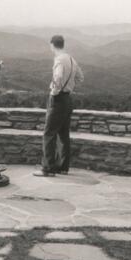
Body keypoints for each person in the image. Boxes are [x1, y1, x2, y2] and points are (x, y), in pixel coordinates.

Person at [33, 34, 84, 177]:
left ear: (52, 45)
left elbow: (58, 77)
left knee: (48, 134)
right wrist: (70, 86)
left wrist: (55, 91)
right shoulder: (72, 59)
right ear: (63, 44)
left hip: (58, 99)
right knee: (63, 134)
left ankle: (47, 168)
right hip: (68, 99)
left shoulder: (59, 60)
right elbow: (80, 77)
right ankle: (62, 166)